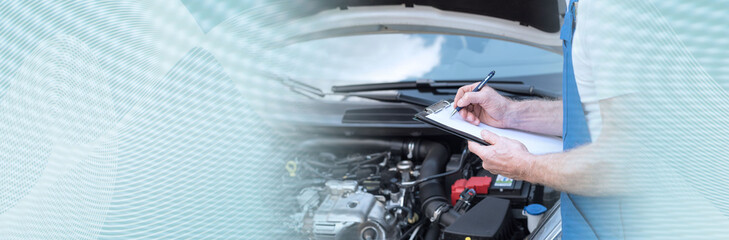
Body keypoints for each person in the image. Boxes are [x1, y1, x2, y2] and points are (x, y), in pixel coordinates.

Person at [453, 0, 628, 239]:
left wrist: (525, 165)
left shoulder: (611, 14)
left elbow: (624, 163)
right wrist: (510, 113)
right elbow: (587, 111)